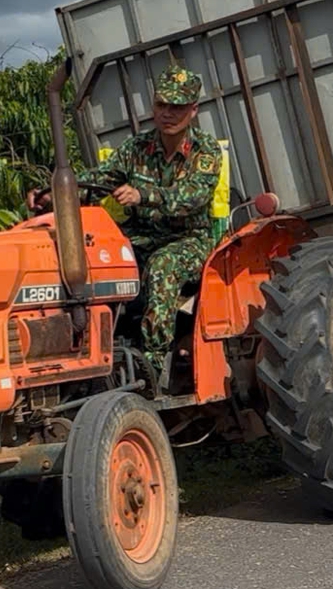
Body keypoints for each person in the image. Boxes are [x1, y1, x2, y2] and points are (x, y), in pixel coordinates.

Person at [27, 65, 222, 372]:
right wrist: (53, 194)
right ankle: (89, 349)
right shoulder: (136, 148)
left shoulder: (205, 151)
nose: (167, 113)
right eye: (161, 105)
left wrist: (143, 195)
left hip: (188, 240)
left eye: (177, 107)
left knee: (162, 266)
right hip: (139, 237)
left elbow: (193, 197)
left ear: (193, 110)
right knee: (91, 258)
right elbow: (99, 177)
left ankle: (155, 364)